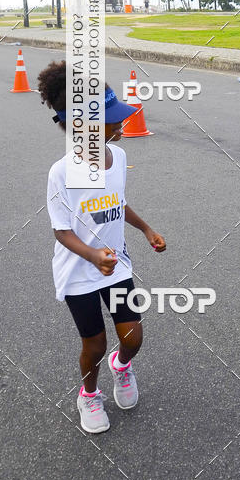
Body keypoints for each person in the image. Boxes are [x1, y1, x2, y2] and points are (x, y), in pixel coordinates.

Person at [38, 60, 166, 433]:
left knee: (132, 337)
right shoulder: (61, 173)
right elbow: (61, 231)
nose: (122, 122)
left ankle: (121, 367)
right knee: (93, 346)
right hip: (79, 273)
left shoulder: (119, 156)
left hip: (118, 266)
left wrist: (145, 228)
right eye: (113, 118)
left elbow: (117, 202)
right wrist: (93, 255)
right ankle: (89, 395)